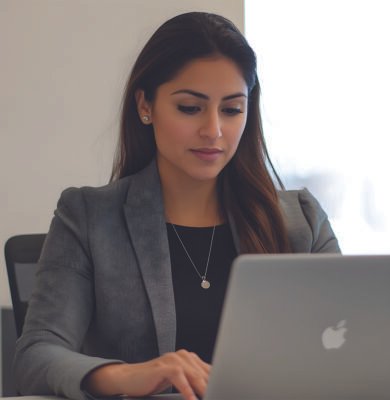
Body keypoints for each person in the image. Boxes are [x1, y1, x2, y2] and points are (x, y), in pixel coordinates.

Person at [13, 11, 340, 400]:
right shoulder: (88, 217)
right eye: (190, 107)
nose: (213, 130)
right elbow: (36, 356)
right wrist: (129, 376)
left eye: (232, 109)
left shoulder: (300, 219)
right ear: (145, 106)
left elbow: (350, 342)